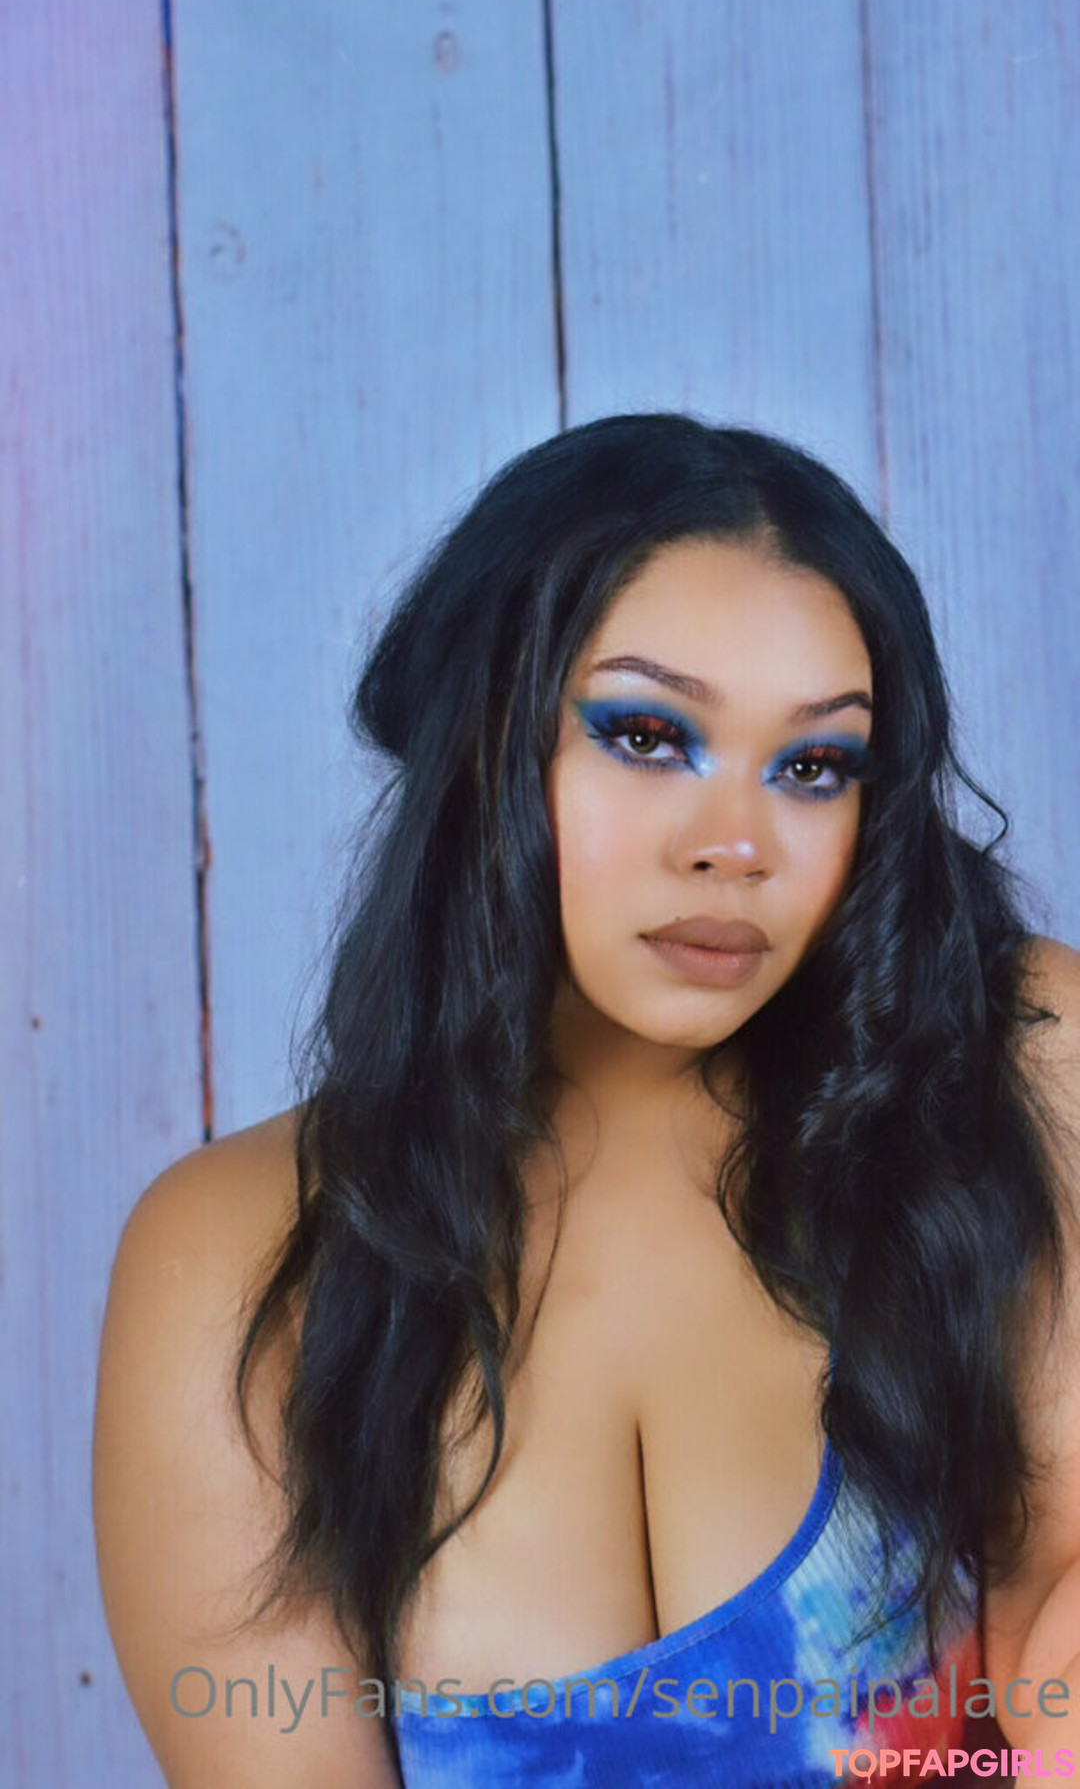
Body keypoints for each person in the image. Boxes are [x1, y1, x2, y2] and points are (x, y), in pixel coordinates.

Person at [93, 415, 1080, 1789]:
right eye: (649, 736)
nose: (736, 845)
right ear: (485, 740)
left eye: (813, 766)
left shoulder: (1010, 1066)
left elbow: (1060, 1650)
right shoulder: (238, 1255)